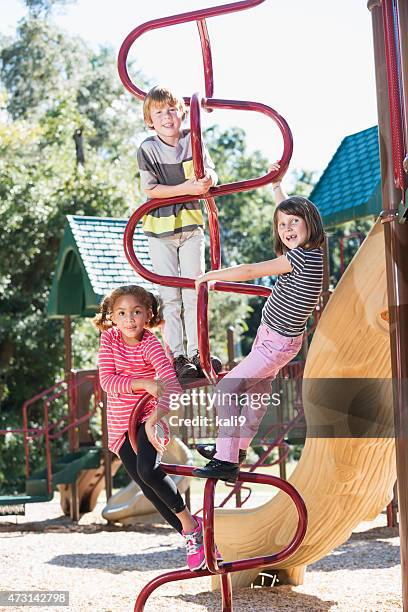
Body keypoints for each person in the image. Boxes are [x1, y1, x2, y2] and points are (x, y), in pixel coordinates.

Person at [192, 166, 325, 483]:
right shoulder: (312, 252)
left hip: (275, 344)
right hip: (277, 342)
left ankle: (225, 460)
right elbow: (288, 212)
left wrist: (213, 275)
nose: (287, 228)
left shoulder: (302, 258)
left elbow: (251, 269)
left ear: (311, 224)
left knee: (226, 389)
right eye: (281, 224)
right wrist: (277, 188)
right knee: (256, 396)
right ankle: (235, 450)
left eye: (294, 223)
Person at [93, 284, 210, 571]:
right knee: (146, 488)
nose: (129, 318)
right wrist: (144, 383)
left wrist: (154, 421)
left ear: (148, 315)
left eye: (136, 312)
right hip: (120, 424)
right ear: (112, 316)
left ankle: (192, 530)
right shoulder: (109, 340)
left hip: (148, 416)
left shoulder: (151, 344)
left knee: (148, 470)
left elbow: (170, 385)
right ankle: (193, 531)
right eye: (122, 313)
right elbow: (107, 381)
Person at [137, 85, 221, 380]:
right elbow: (150, 188)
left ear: (182, 113)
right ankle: (178, 355)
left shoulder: (192, 140)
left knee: (195, 289)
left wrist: (209, 178)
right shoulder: (148, 148)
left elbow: (211, 171)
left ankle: (200, 351)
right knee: (170, 295)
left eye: (172, 110)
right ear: (150, 120)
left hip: (189, 225)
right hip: (160, 229)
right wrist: (186, 189)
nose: (167, 117)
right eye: (159, 112)